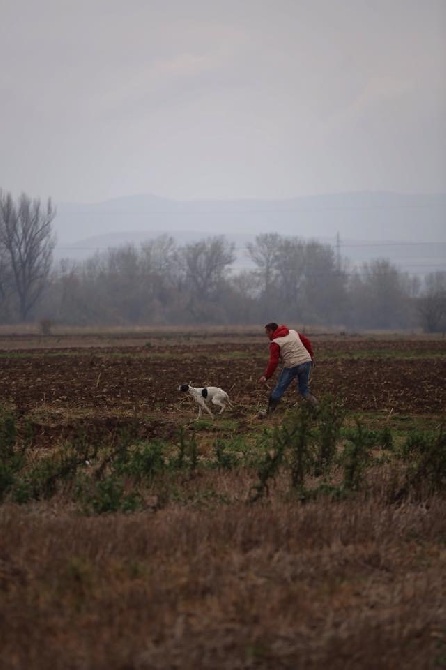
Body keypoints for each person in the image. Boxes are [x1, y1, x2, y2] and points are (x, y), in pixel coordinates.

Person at [258, 322, 318, 414]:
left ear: (271, 331)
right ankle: (317, 408)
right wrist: (311, 355)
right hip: (306, 361)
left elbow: (274, 362)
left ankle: (269, 412)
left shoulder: (275, 343)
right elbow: (306, 341)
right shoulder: (293, 332)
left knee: (279, 389)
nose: (267, 335)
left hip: (292, 365)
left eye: (267, 333)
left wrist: (266, 376)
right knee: (304, 390)